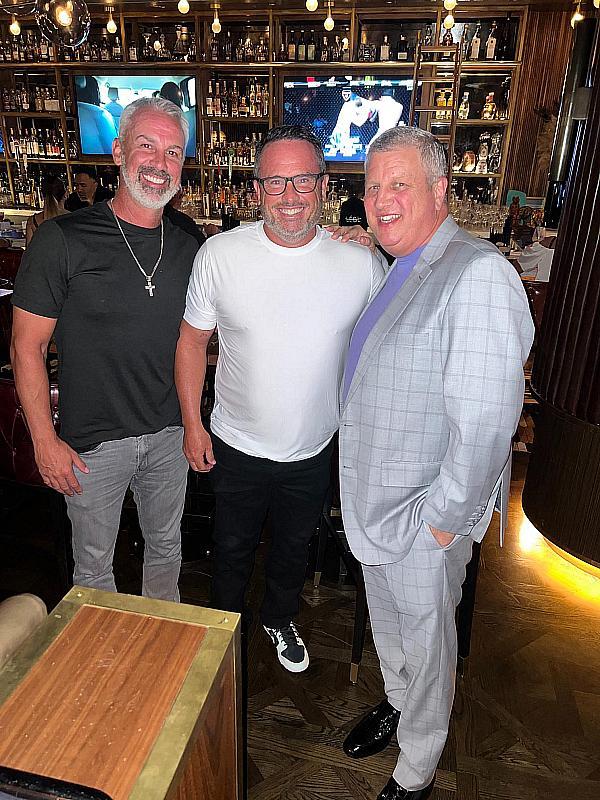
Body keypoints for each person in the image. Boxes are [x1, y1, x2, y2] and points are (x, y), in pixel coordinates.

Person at [338, 127, 534, 800]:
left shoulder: (479, 273)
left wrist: (444, 523)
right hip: (378, 501)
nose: (381, 200)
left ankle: (418, 767)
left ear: (440, 190)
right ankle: (396, 702)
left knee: (429, 646)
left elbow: (485, 424)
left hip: (425, 514)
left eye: (400, 185)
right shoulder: (404, 262)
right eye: (372, 186)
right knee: (393, 629)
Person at [175, 125, 384, 672]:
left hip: (316, 446)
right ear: (256, 189)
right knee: (232, 547)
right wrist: (192, 425)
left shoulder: (360, 263)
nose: (290, 196)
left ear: (323, 185)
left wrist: (373, 240)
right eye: (275, 183)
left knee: (295, 547)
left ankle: (278, 616)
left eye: (303, 182)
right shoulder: (220, 254)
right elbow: (192, 340)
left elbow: (386, 344)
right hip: (236, 442)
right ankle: (222, 630)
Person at [11, 97, 201, 601]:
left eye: (174, 151)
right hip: (91, 444)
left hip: (167, 435)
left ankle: (164, 660)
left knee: (166, 551)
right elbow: (26, 349)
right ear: (118, 151)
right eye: (147, 146)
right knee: (93, 571)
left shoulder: (190, 246)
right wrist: (44, 441)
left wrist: (344, 238)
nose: (160, 163)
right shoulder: (63, 239)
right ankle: (103, 671)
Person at [25, 176, 68, 247]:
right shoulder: (71, 218)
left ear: (41, 195)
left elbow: (29, 253)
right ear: (65, 194)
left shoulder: (32, 221)